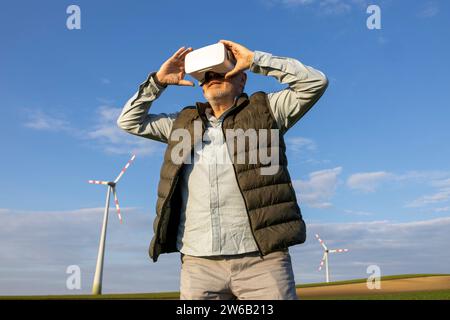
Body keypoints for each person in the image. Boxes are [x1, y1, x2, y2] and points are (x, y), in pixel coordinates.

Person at [117, 40, 328, 300]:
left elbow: (315, 83)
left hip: (263, 260)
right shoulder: (181, 124)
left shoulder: (267, 111)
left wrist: (256, 60)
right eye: (206, 76)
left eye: (221, 72)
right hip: (198, 262)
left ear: (242, 80)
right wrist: (157, 82)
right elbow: (129, 121)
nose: (211, 78)